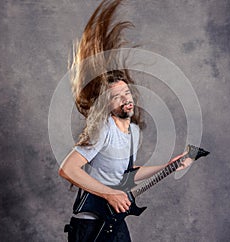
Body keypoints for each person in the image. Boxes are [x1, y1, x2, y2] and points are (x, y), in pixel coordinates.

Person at [59, 1, 193, 241]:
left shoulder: (133, 132)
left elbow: (126, 176)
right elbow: (67, 169)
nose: (126, 99)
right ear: (106, 104)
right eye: (116, 97)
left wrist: (168, 165)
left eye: (127, 93)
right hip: (91, 226)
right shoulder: (102, 129)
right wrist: (110, 195)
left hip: (115, 222)